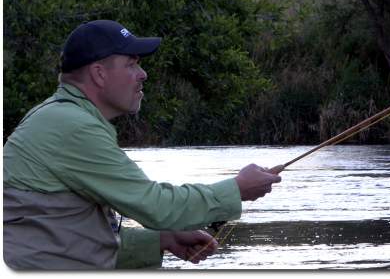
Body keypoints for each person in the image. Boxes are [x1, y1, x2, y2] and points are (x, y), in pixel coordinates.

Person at [3, 20, 282, 270]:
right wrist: (236, 189)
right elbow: (156, 206)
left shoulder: (61, 116)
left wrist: (162, 240)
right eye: (132, 63)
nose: (143, 74)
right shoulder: (72, 126)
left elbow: (70, 238)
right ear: (99, 74)